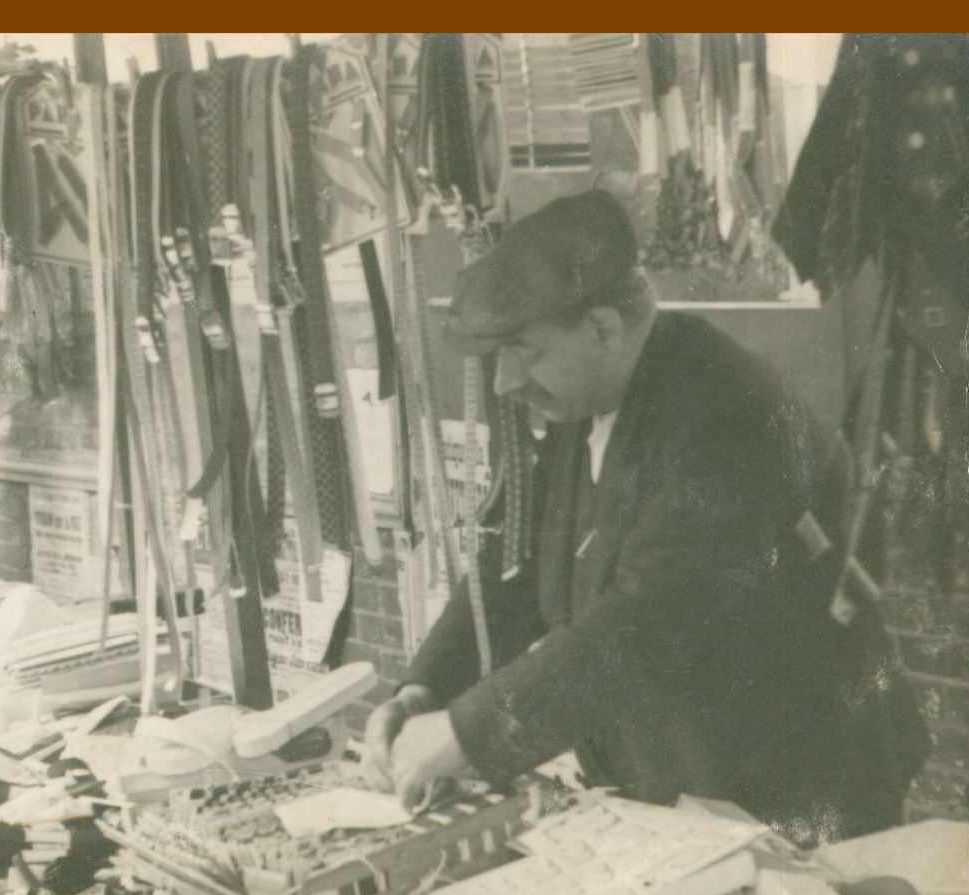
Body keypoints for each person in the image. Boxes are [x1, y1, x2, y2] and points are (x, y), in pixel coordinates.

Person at [363, 191, 929, 843]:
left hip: (799, 784)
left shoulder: (722, 415)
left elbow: (644, 624)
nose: (503, 383)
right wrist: (425, 690)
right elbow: (509, 565)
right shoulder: (584, 399)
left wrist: (467, 733)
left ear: (602, 328)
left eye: (524, 349)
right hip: (689, 771)